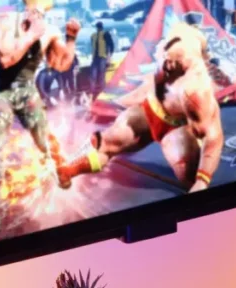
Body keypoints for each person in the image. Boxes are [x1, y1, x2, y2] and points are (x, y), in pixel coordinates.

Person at [56, 22, 223, 194]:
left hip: (177, 128)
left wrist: (202, 181)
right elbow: (146, 88)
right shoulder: (166, 50)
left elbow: (213, 137)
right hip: (149, 112)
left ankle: (195, 169)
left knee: (188, 177)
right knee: (107, 141)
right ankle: (69, 170)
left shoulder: (196, 89)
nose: (166, 63)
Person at [0, 0, 80, 231]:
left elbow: (60, 64)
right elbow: (5, 59)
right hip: (4, 93)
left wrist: (71, 38)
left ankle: (61, 172)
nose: (39, 11)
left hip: (28, 92)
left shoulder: (49, 31)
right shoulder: (3, 22)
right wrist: (32, 35)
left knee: (45, 141)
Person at [90, 21, 114, 96]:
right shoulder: (93, 36)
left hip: (102, 57)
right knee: (93, 75)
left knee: (101, 75)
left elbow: (111, 45)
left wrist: (109, 56)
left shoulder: (105, 34)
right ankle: (93, 91)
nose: (98, 28)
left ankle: (102, 91)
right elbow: (92, 45)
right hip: (95, 58)